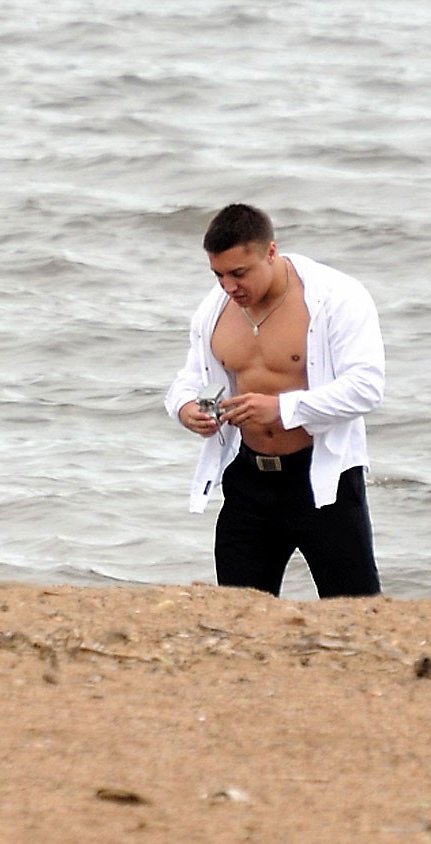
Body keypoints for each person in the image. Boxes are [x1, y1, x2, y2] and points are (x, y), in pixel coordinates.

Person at [165, 203, 384, 598]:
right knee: (237, 615)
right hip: (248, 480)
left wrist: (284, 409)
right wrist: (185, 408)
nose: (230, 287)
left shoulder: (336, 297)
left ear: (270, 252)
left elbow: (366, 386)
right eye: (218, 275)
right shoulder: (214, 311)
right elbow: (190, 377)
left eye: (239, 273)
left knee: (356, 612)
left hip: (323, 481)